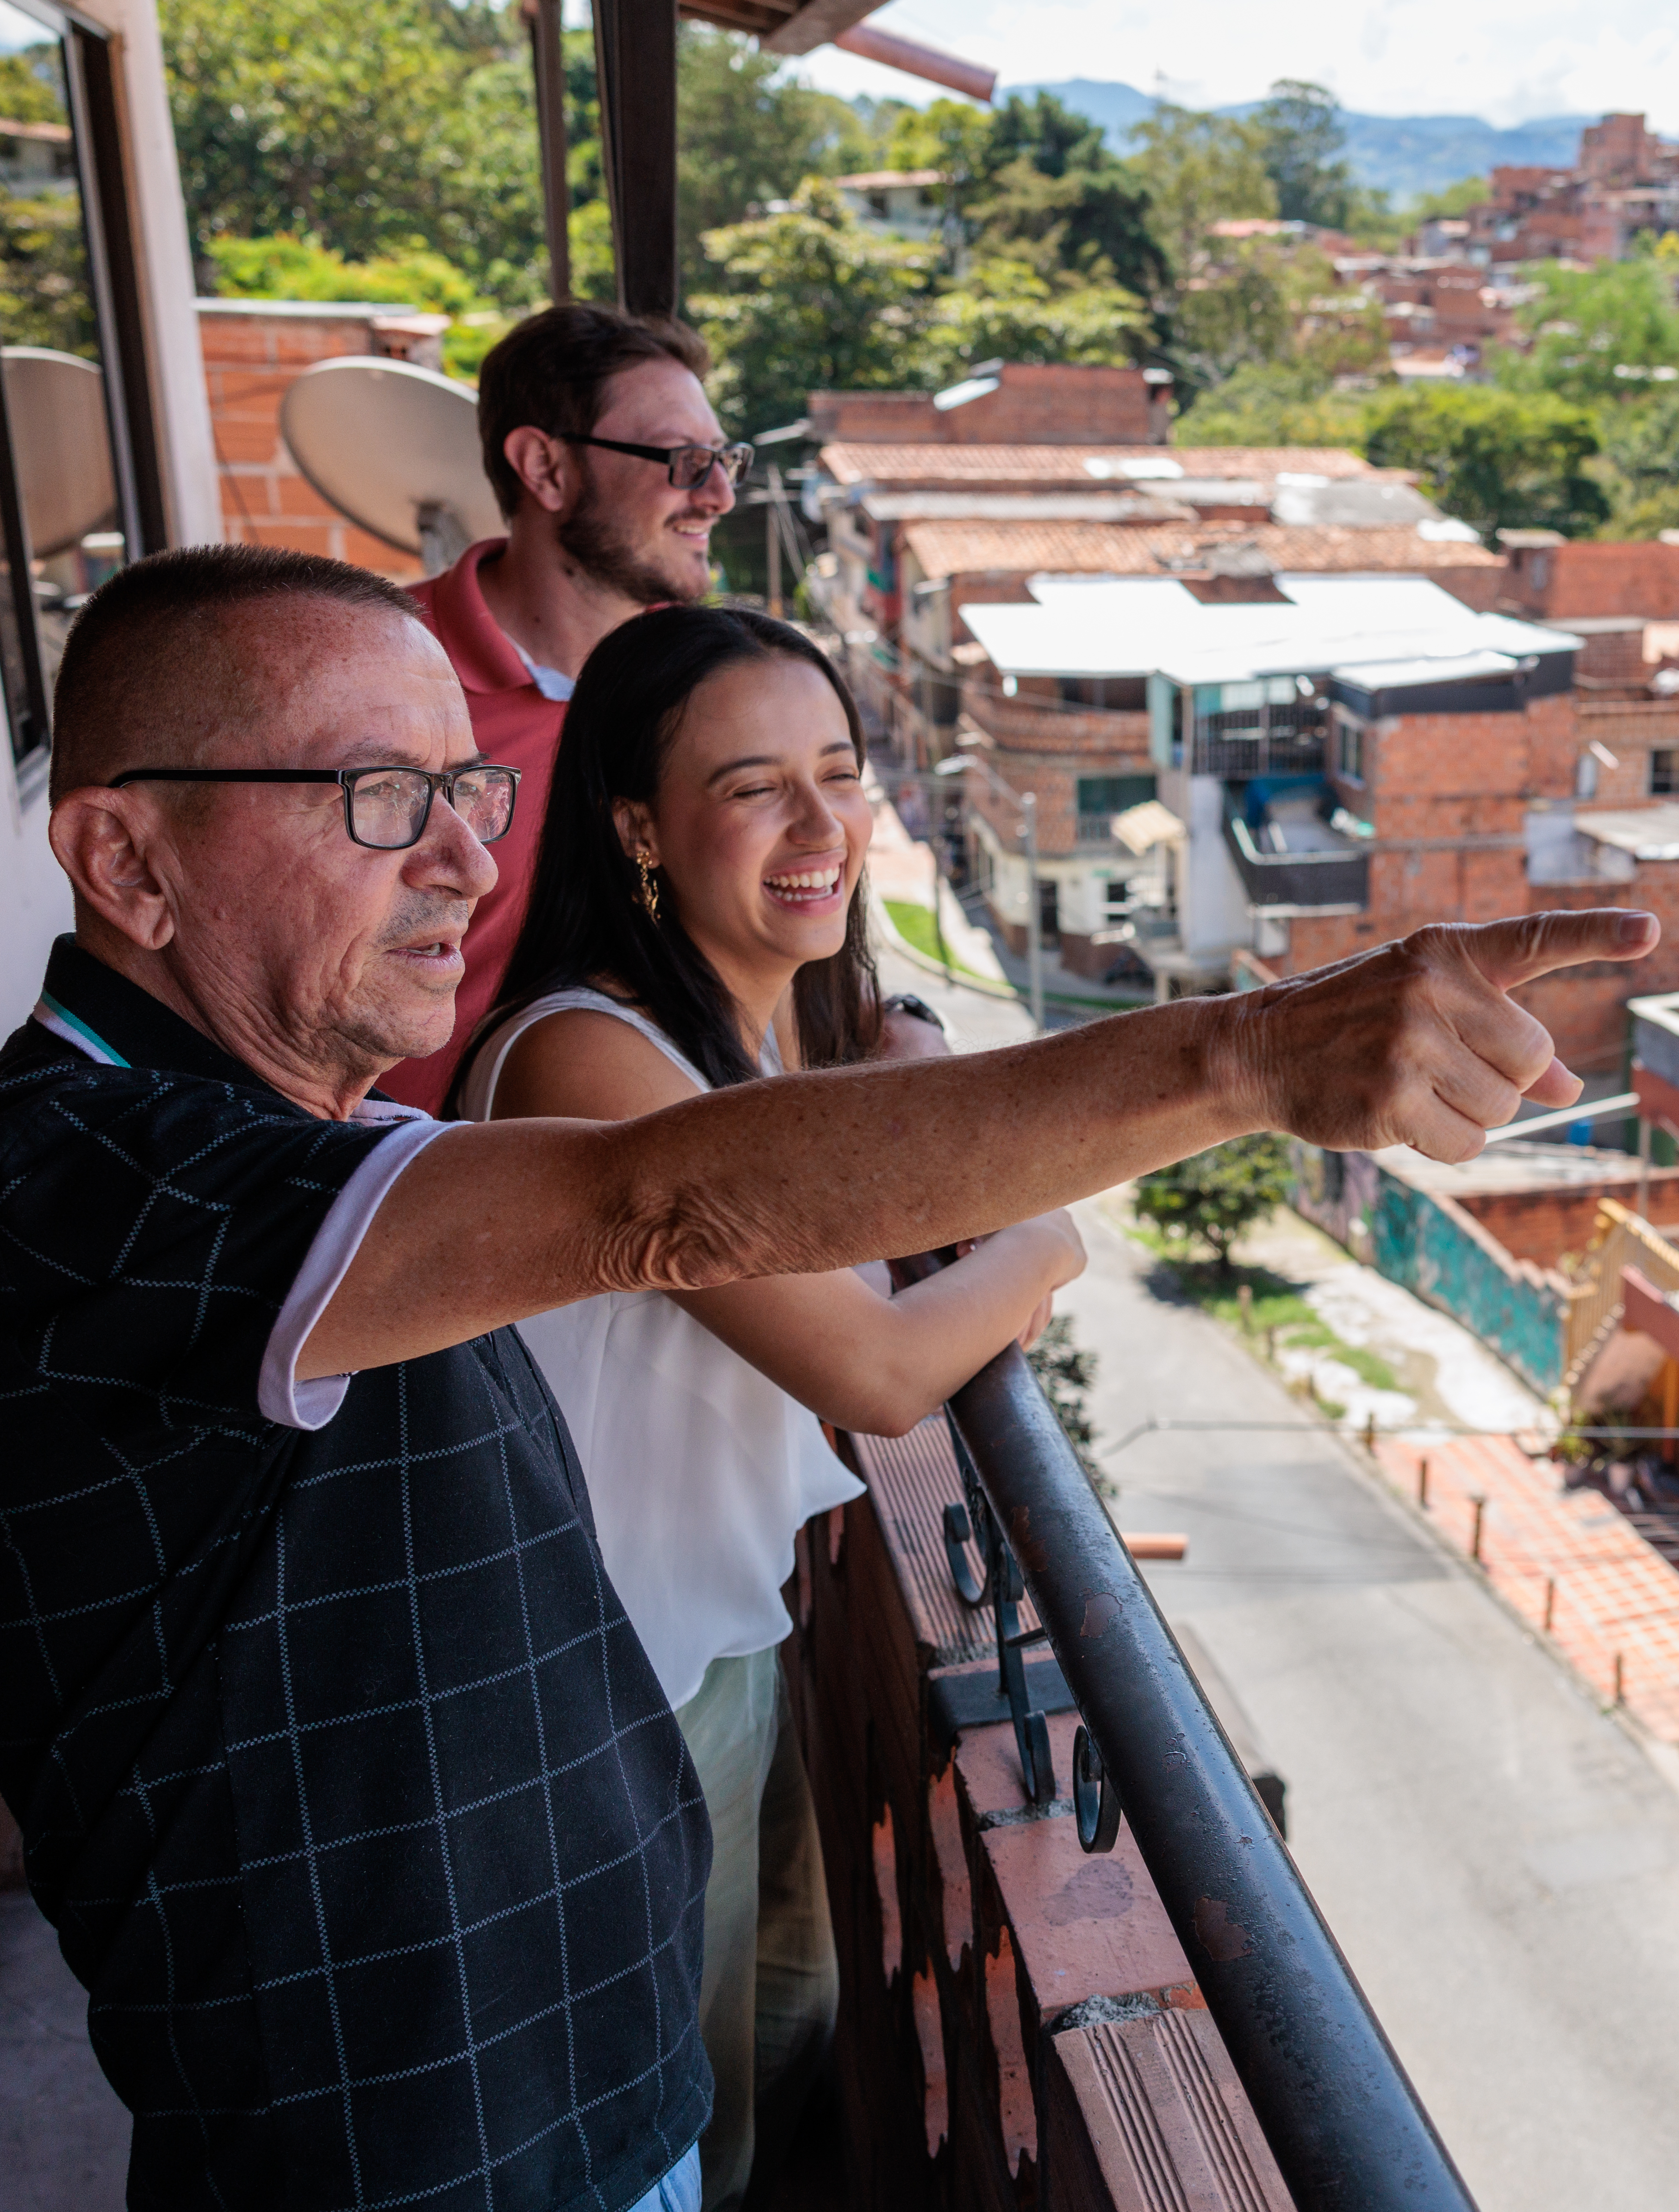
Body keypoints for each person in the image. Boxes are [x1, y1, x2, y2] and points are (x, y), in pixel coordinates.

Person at [0, 544, 1654, 2212]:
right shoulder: (59, 1194)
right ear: (126, 859)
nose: (465, 864)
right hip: (410, 2145)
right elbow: (669, 1202)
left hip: (566, 2074)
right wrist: (1250, 1056)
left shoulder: (274, 1140)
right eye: (377, 799)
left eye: (465, 791)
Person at [454, 604, 1083, 2210]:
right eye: (755, 787)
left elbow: (879, 1102)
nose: (822, 829)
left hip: (726, 1635)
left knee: (786, 2025)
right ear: (635, 826)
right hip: (606, 1695)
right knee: (681, 2117)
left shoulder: (754, 1019)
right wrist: (1044, 1231)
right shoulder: (589, 1061)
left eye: (840, 772)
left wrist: (918, 1048)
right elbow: (878, 1375)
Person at [379, 304, 741, 1110]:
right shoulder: (374, 680)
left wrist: (900, 1017)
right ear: (544, 468)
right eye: (684, 461)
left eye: (724, 459)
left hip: (673, 1154)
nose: (718, 495)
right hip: (436, 1187)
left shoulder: (713, 688)